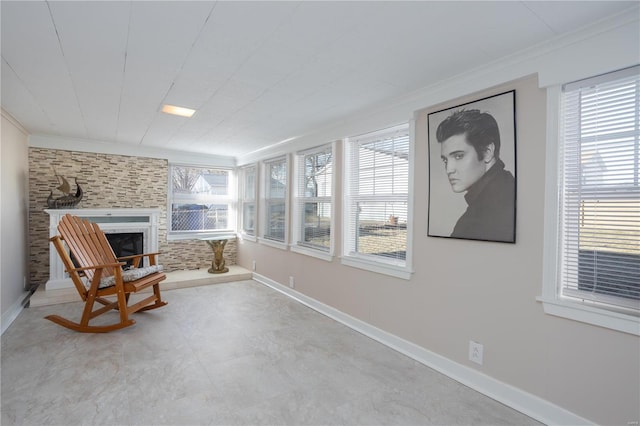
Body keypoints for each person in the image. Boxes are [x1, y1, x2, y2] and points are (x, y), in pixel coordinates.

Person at [436, 109, 515, 242]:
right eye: (445, 160)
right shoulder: (509, 185)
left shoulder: (475, 222)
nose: (449, 169)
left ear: (487, 152)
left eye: (458, 156)